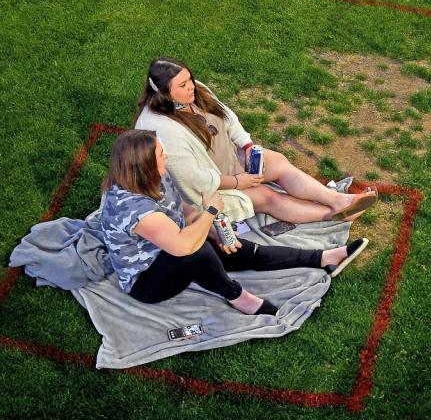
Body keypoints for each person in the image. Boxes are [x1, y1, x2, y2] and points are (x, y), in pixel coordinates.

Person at [100, 130, 369, 314]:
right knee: (195, 250)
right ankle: (238, 297)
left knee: (239, 247)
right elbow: (182, 246)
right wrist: (211, 212)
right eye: (161, 154)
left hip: (175, 245)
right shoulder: (133, 208)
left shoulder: (155, 176)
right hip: (147, 280)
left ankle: (322, 258)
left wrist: (212, 228)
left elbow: (180, 208)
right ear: (145, 165)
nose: (166, 156)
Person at [134, 57, 377, 223]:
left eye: (190, 80)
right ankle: (330, 215)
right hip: (205, 190)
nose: (192, 88)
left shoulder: (197, 91)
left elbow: (228, 118)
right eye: (183, 85)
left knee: (279, 162)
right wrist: (238, 182)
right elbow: (192, 181)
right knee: (267, 197)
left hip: (228, 161)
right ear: (164, 92)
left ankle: (339, 201)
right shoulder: (163, 128)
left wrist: (247, 147)